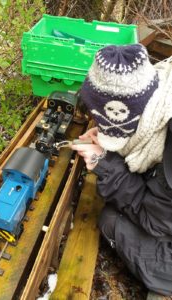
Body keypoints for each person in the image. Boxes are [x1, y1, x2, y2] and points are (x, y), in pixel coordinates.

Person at [71, 43, 172, 296]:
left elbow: (155, 221)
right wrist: (111, 141)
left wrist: (104, 163)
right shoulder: (161, 82)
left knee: (112, 221)